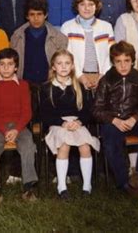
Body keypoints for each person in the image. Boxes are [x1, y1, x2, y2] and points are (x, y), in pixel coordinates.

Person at [93, 41, 138, 198]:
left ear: (132, 61)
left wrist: (134, 118)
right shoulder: (106, 81)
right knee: (110, 143)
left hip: (134, 120)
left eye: (126, 61)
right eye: (118, 62)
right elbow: (96, 109)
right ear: (113, 62)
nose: (123, 66)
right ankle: (124, 183)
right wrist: (113, 120)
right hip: (114, 121)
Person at [40, 49, 99, 199]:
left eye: (67, 63)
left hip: (77, 123)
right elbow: (45, 113)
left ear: (73, 66)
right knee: (64, 145)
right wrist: (62, 123)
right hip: (58, 125)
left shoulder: (79, 86)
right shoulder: (47, 88)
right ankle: (62, 186)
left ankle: (87, 186)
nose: (63, 67)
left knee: (85, 146)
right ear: (53, 67)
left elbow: (88, 110)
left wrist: (79, 121)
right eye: (59, 63)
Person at [0, 48, 38, 206]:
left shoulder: (22, 85)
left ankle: (28, 189)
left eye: (10, 64)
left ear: (16, 67)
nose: (6, 68)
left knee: (28, 144)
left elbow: (27, 112)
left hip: (19, 126)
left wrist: (16, 129)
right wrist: (5, 130)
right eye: (2, 64)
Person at [61, 0, 114, 91]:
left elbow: (111, 55)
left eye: (91, 4)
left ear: (96, 6)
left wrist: (102, 76)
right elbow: (66, 56)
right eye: (82, 4)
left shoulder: (106, 27)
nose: (87, 8)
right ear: (77, 6)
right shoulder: (67, 27)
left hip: (102, 77)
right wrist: (80, 76)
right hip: (75, 77)